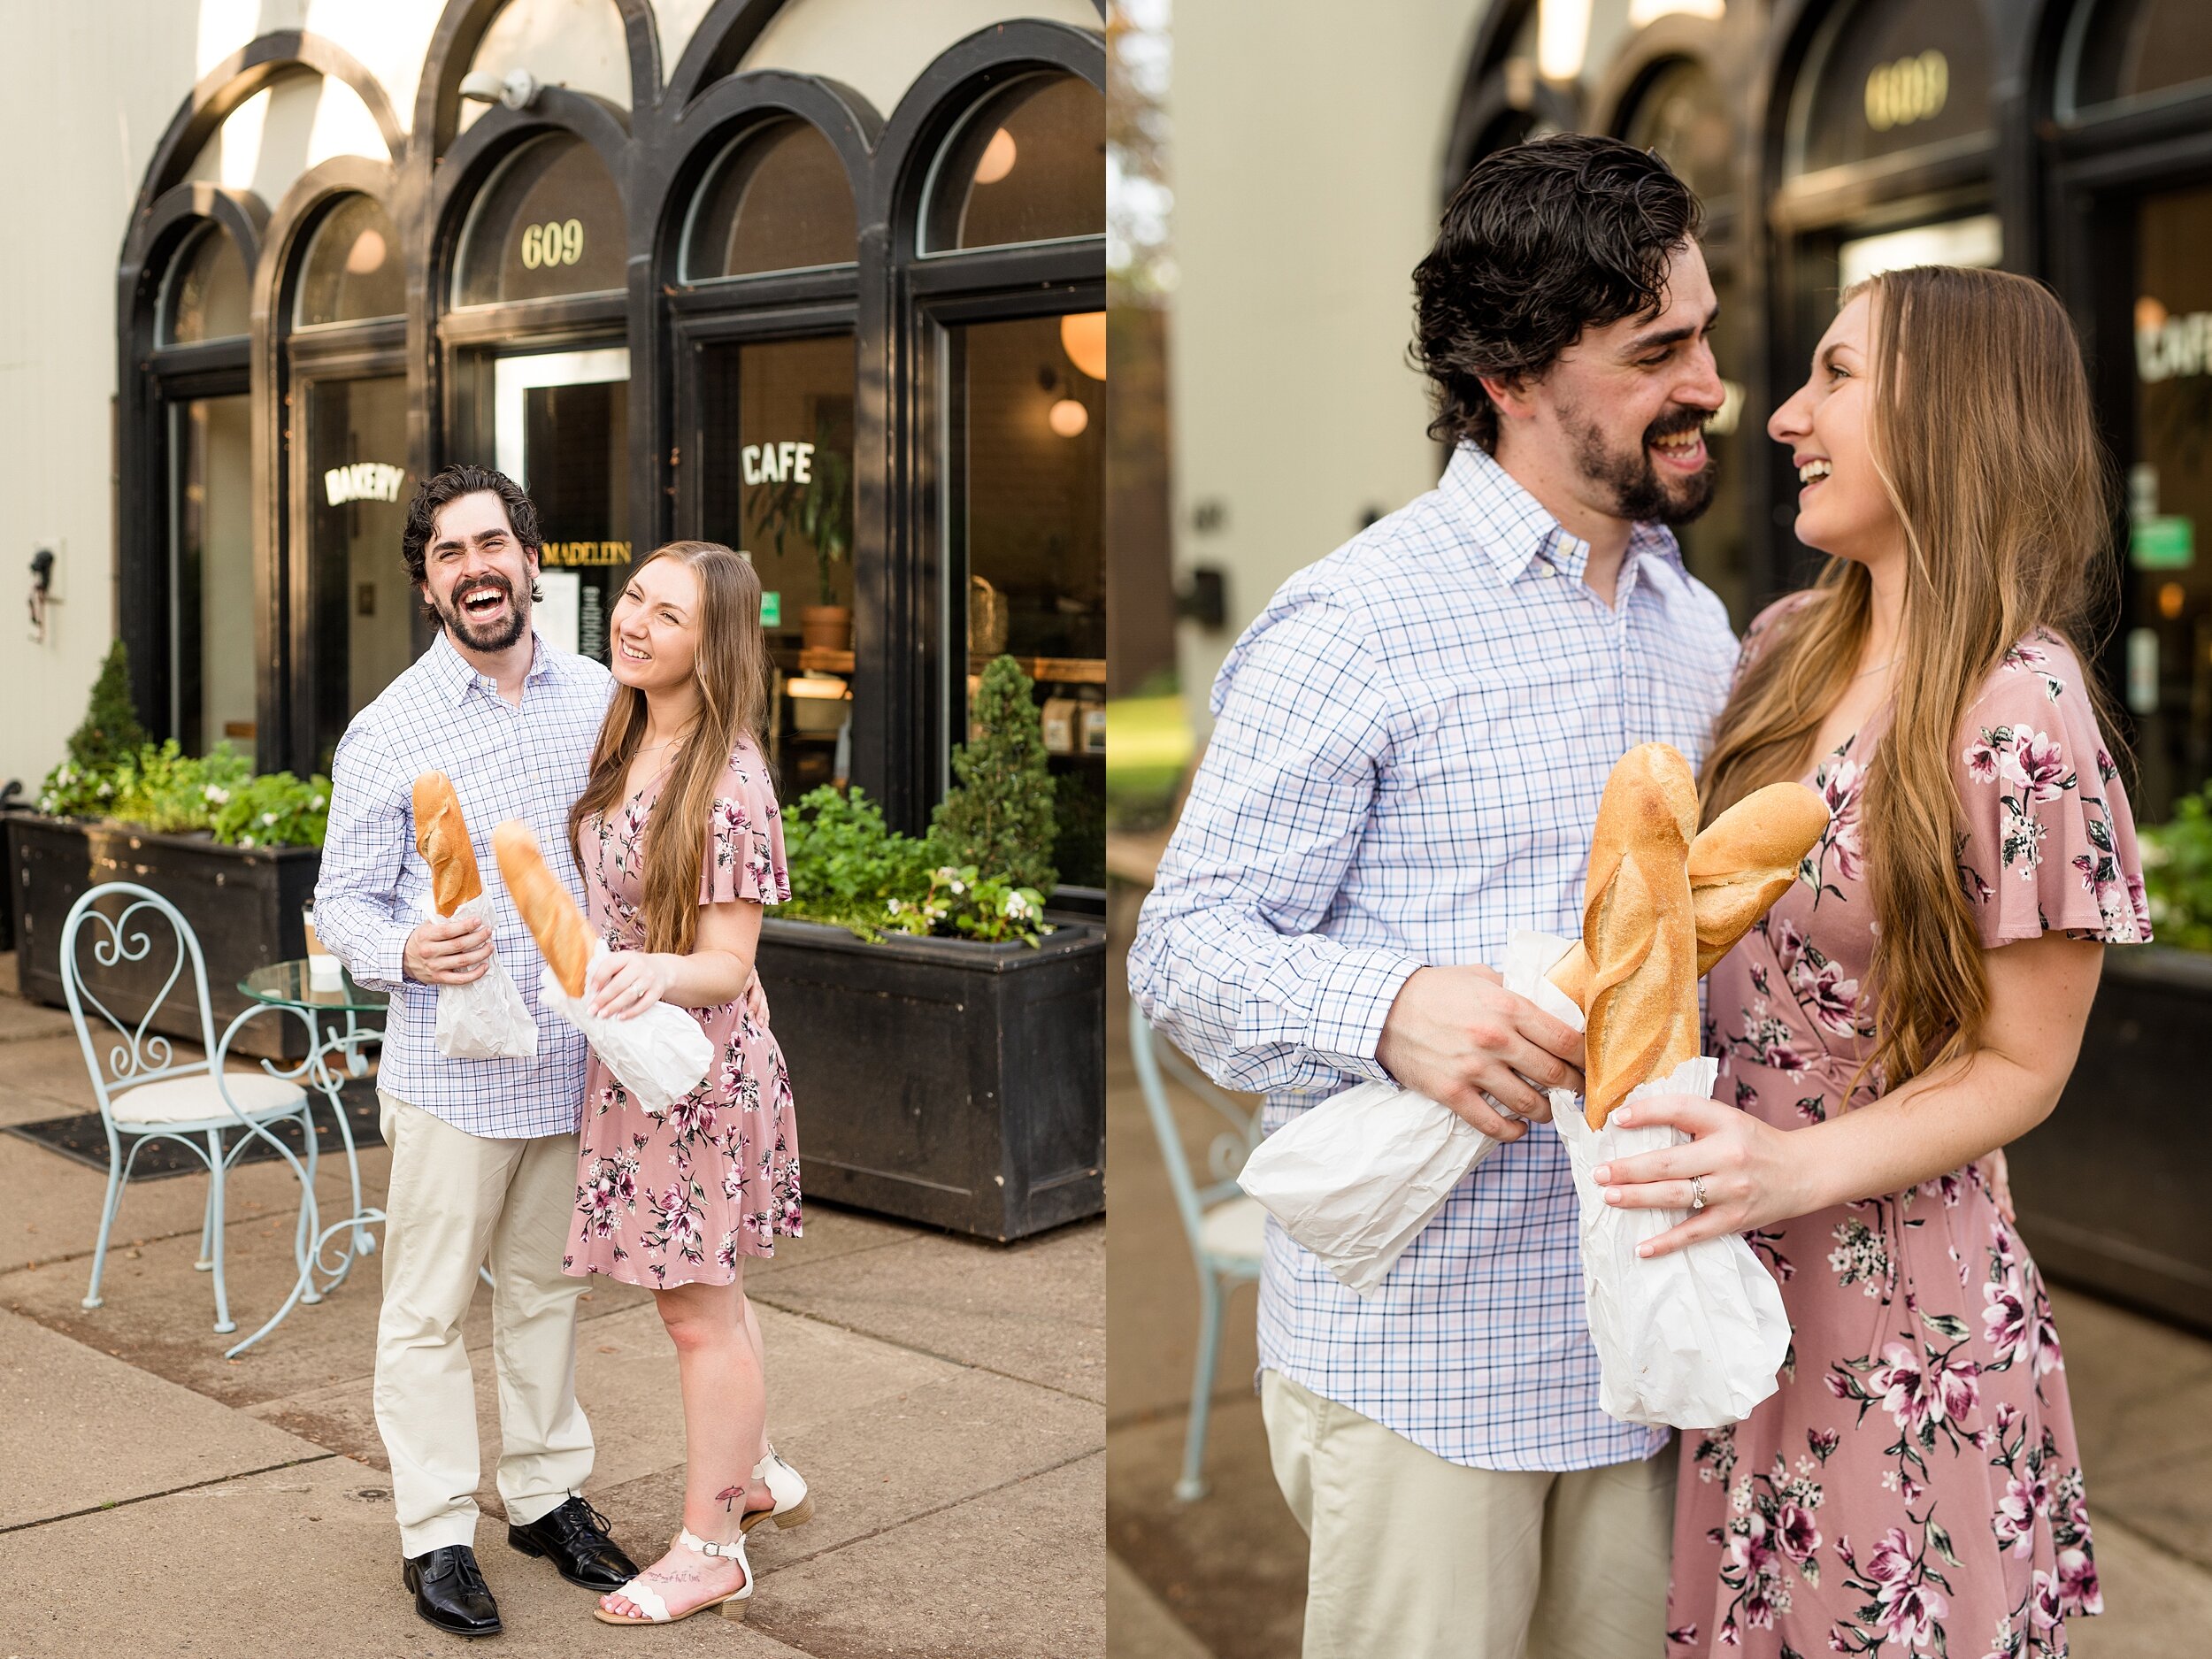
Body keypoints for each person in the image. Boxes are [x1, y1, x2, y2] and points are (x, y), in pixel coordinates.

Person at [1129, 134, 1737, 1658]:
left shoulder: (1701, 627)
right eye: (1659, 348)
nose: (1711, 382)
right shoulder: (1358, 619)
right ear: (1513, 373)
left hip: (1646, 1342)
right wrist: (1391, 1007)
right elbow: (1187, 950)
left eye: (1707, 332)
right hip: (1428, 1361)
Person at [1593, 265, 2146, 1655]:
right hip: (1725, 1281)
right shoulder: (1784, 643)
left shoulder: (2023, 703)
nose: (1783, 414)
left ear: (1951, 414)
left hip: (1904, 1313)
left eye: (1836, 375)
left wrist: (1788, 1170)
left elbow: (2025, 1060)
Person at [316, 463, 641, 1639]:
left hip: (572, 1058)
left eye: (490, 542)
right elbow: (340, 904)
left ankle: (546, 1496)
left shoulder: (602, 696)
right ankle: (437, 1530)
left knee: (549, 1292)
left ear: (531, 555)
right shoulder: (388, 727)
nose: (475, 567)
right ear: (426, 584)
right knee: (428, 1309)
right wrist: (408, 947)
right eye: (449, 553)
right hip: (451, 1075)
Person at [559, 540, 805, 1627]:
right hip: (644, 1060)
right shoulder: (631, 732)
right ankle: (747, 1477)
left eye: (668, 614)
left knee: (695, 1314)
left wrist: (644, 970)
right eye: (632, 598)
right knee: (713, 1300)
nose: (635, 621)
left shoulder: (728, 773)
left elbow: (730, 963)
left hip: (692, 1075)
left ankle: (712, 1547)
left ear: (714, 645)